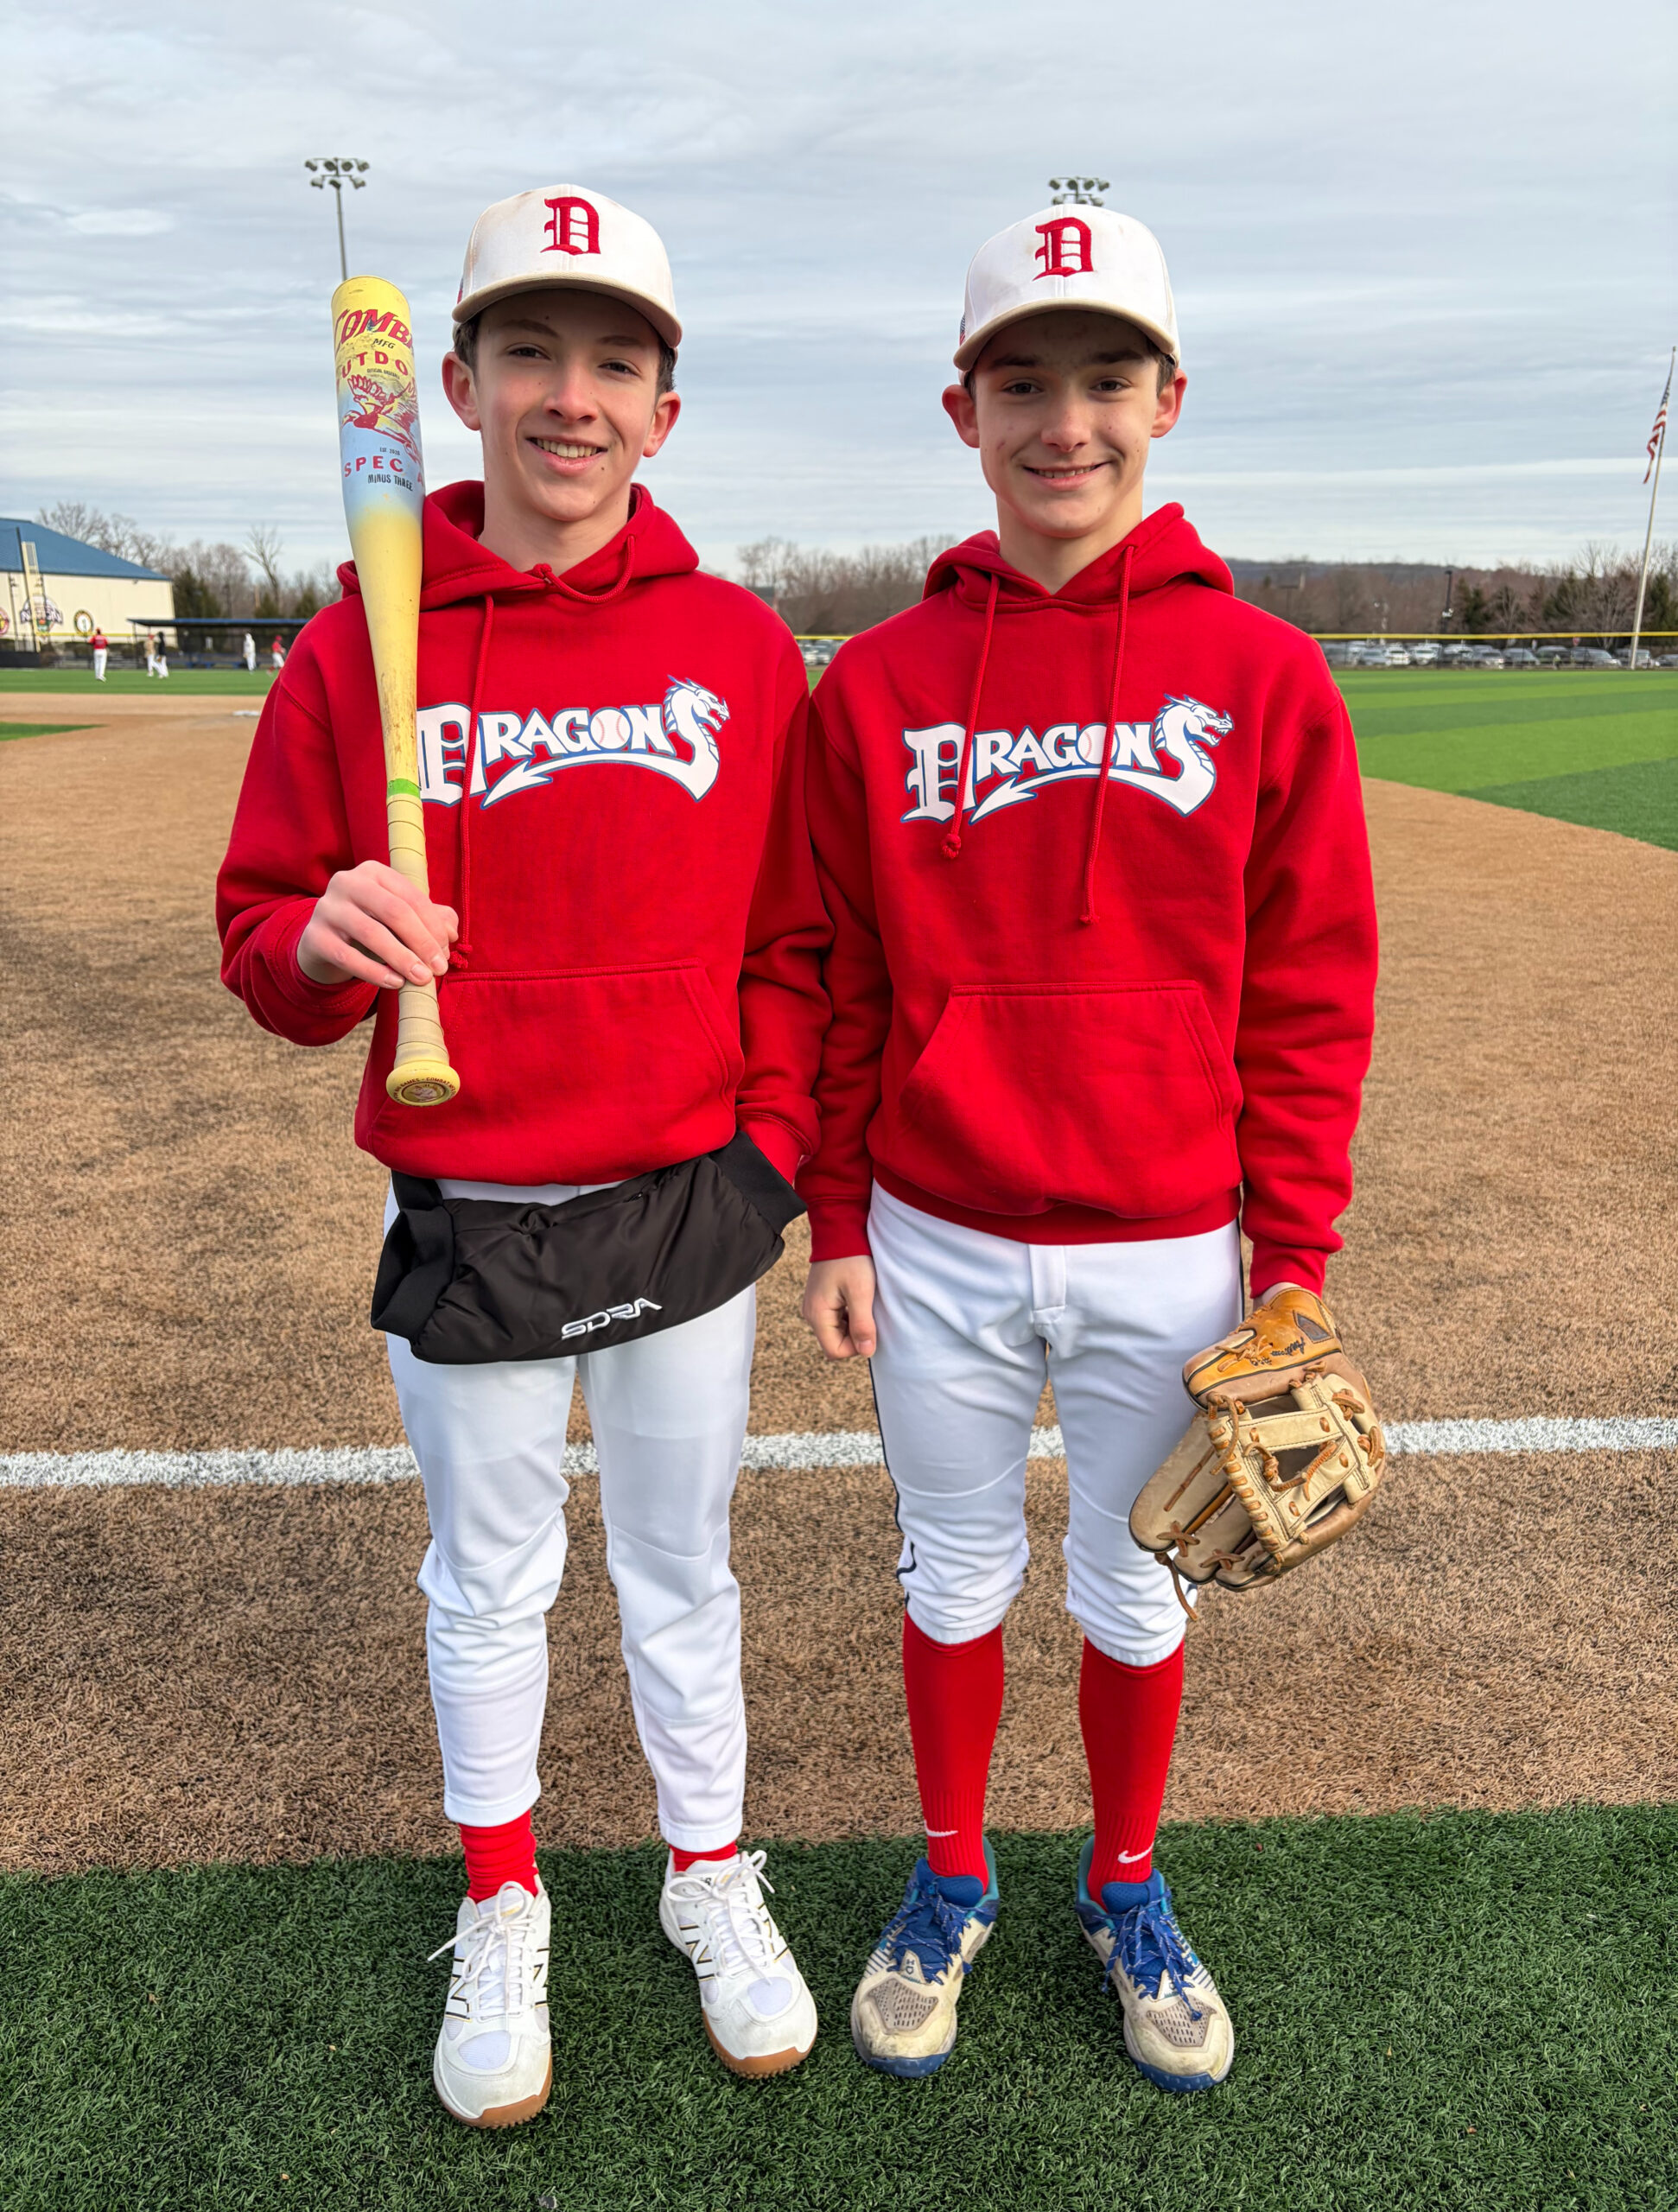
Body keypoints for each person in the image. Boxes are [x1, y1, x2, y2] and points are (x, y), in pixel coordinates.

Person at [217, 185, 830, 2126]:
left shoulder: (740, 647)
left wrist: (771, 1152)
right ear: (462, 386)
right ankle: (502, 1897)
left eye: (615, 362)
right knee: (488, 1578)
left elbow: (796, 943)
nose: (574, 395)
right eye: (532, 353)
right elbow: (260, 936)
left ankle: (706, 1871)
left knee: (679, 1567)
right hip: (470, 1203)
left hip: (681, 1202)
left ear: (665, 409)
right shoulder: (356, 649)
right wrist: (321, 946)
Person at [798, 205, 1377, 2091]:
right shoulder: (877, 682)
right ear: (962, 410)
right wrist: (833, 1216)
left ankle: (1123, 1881)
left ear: (1166, 399)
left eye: (1106, 379)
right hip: (934, 1224)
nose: (1066, 422)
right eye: (1023, 383)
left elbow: (1310, 987)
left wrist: (1290, 1255)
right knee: (951, 1572)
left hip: (1168, 1239)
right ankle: (951, 1871)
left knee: (1139, 1580)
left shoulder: (1264, 674)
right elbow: (836, 972)